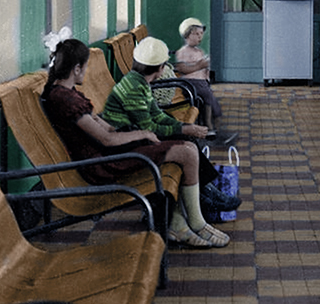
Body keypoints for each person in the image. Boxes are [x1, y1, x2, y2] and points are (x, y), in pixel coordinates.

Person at [42, 38, 231, 248]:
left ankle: (179, 223)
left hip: (108, 154)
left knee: (184, 147)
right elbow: (107, 139)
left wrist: (130, 131)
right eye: (86, 67)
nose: (86, 72)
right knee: (186, 152)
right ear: (76, 68)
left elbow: (106, 128)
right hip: (103, 164)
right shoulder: (65, 100)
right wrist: (142, 134)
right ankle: (196, 223)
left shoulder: (66, 94)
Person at [103, 36, 242, 219]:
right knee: (185, 141)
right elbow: (150, 127)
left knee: (186, 137)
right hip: (128, 142)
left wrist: (184, 126)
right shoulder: (134, 88)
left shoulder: (139, 82)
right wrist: (184, 130)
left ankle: (207, 192)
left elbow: (158, 115)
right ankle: (206, 195)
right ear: (161, 68)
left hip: (133, 135)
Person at [174, 17, 227, 141]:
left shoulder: (199, 51)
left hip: (201, 82)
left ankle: (212, 127)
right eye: (196, 34)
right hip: (190, 83)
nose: (200, 37)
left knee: (209, 99)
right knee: (209, 99)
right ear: (187, 35)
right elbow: (182, 69)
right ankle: (211, 126)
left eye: (201, 34)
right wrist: (199, 66)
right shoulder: (183, 52)